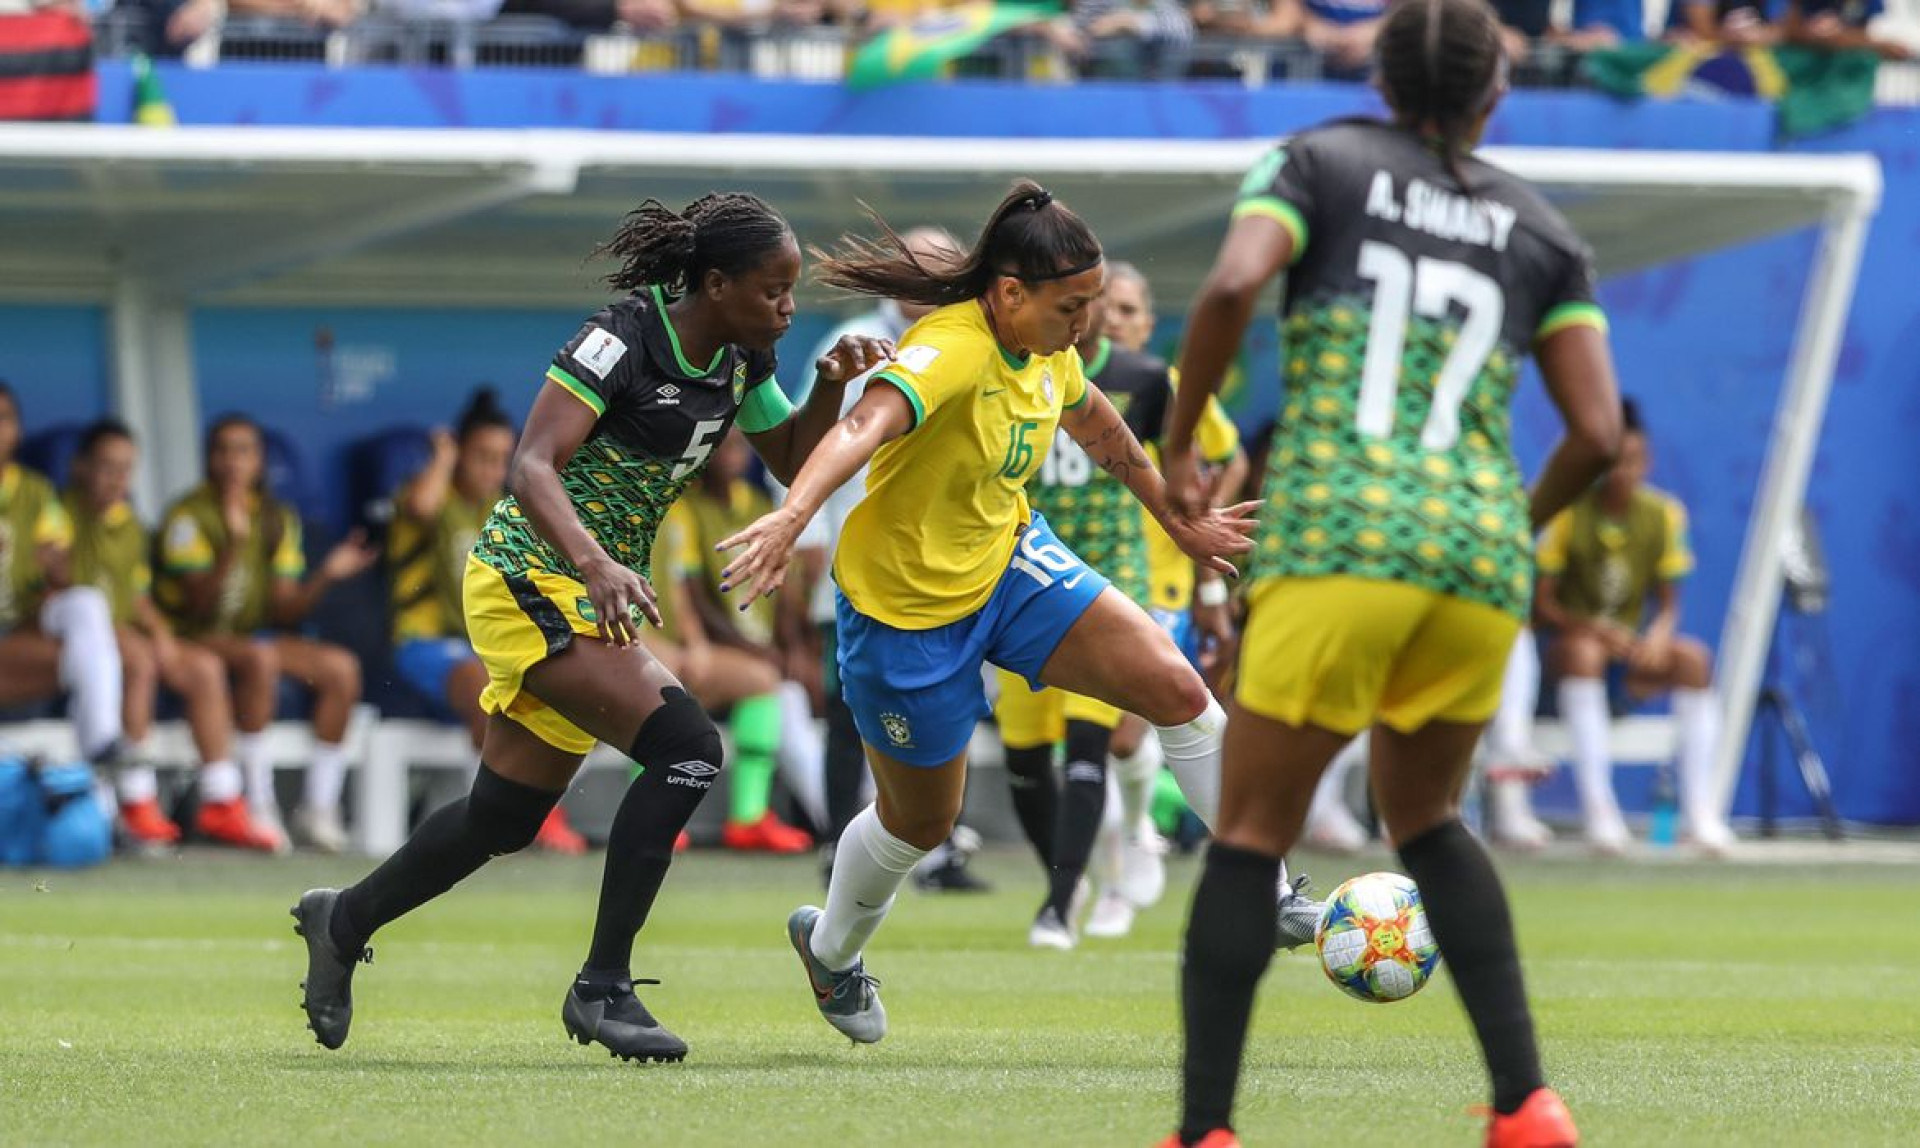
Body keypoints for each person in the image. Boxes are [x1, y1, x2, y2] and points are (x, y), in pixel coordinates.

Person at [1157, 0, 1624, 1142]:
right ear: (1493, 96)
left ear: (1378, 77)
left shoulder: (1318, 161)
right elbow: (1598, 433)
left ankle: (1204, 1127)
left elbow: (1227, 289)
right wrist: (1505, 520)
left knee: (1254, 832)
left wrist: (1177, 448)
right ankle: (1526, 1104)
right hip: (1474, 553)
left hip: (1344, 534)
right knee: (1429, 816)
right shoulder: (1540, 229)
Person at [289, 191, 892, 1064]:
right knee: (688, 746)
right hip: (530, 572)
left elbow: (794, 460)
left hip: (593, 590)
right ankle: (602, 986)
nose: (785, 308)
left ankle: (341, 920)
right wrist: (597, 563)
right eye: (772, 291)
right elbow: (532, 465)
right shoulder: (619, 337)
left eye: (791, 293)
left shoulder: (746, 357)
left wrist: (830, 386)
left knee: (502, 817)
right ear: (715, 283)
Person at [716, 182, 1300, 1048]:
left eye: (1094, 305)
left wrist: (1173, 515)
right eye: (1074, 306)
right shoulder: (948, 349)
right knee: (921, 823)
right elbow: (862, 426)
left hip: (1011, 566)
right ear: (1010, 293)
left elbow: (1099, 423)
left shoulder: (1049, 345)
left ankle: (1272, 892)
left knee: (1176, 688)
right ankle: (831, 949)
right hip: (904, 612)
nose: (1087, 324)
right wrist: (793, 515)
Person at [788, 225, 990, 894]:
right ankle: (835, 842)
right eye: (918, 268)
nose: (930, 282)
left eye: (943, 269)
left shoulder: (970, 342)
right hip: (856, 553)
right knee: (851, 713)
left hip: (952, 563)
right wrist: (810, 534)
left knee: (944, 704)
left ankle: (934, 851)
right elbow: (809, 443)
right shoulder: (851, 345)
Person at [154, 415, 380, 853]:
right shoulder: (188, 515)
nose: (232, 462)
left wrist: (326, 576)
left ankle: (319, 807)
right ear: (208, 458)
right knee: (260, 657)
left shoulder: (277, 518)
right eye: (222, 450)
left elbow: (284, 608)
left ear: (258, 461)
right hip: (193, 636)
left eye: (243, 451)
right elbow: (196, 605)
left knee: (340, 668)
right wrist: (233, 547)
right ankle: (257, 802)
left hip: (253, 634)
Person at [387, 388, 587, 854]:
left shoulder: (504, 512)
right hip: (424, 644)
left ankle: (528, 810)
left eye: (501, 458)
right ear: (458, 454)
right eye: (480, 456)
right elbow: (421, 508)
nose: (491, 469)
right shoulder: (430, 497)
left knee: (564, 684)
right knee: (484, 686)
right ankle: (520, 817)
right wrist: (443, 457)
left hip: (487, 645)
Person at [65, 419, 279, 852]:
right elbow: (63, 595)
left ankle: (222, 798)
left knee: (202, 667)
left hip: (130, 630)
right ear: (81, 468)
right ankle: (135, 797)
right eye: (106, 467)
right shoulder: (62, 514)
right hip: (77, 637)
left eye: (126, 469)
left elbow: (138, 594)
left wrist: (160, 631)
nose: (117, 479)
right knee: (139, 659)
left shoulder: (128, 522)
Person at [1536, 397, 1734, 855]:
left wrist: (1658, 635)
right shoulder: (1568, 511)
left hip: (1627, 657)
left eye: (1637, 461)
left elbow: (1668, 603)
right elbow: (1542, 604)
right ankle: (1599, 811)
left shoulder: (1663, 514)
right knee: (1584, 652)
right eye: (1618, 462)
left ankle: (1701, 812)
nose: (1627, 472)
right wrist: (1595, 631)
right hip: (1570, 653)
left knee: (1693, 661)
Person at [671, 426, 826, 850]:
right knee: (764, 685)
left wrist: (793, 650)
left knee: (785, 693)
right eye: (723, 448)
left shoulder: (759, 505)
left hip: (758, 653)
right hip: (715, 650)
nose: (732, 456)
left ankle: (756, 816)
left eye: (740, 446)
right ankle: (696, 820)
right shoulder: (688, 509)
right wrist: (759, 652)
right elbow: (697, 596)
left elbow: (786, 591)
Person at [0, 383, 128, 805]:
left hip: (21, 627)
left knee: (87, 605)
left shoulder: (35, 491)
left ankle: (103, 745)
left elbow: (61, 578)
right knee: (91, 663)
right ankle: (104, 800)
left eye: (4, 419)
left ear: (17, 430)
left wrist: (54, 568)